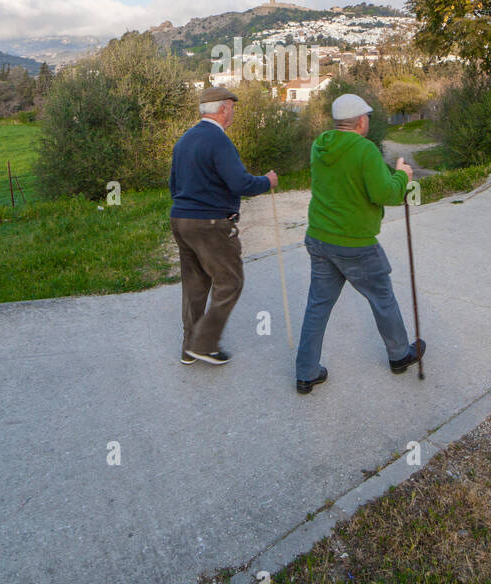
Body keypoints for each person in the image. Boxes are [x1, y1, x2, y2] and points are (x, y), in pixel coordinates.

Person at [295, 92, 426, 394]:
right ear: (361, 121)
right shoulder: (364, 150)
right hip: (355, 243)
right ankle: (399, 355)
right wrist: (403, 176)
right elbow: (385, 194)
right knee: (382, 297)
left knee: (317, 306)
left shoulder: (319, 145)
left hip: (318, 237)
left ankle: (306, 372)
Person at [169, 86, 277, 366]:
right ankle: (204, 344)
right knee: (230, 281)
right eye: (231, 106)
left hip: (180, 220)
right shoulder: (218, 141)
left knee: (195, 285)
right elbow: (241, 183)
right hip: (211, 224)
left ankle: (189, 346)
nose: (233, 112)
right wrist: (268, 181)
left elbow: (173, 185)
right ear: (221, 109)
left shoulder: (184, 141)